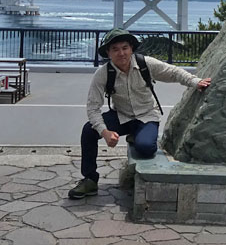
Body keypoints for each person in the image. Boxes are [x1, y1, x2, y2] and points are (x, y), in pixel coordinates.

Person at [68, 28, 212, 200]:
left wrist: (195, 82)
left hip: (147, 116)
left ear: (131, 48)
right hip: (121, 116)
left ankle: (137, 136)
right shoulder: (103, 74)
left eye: (125, 48)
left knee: (146, 148)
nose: (121, 53)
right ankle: (89, 179)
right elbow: (93, 108)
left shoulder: (145, 64)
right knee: (88, 131)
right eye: (115, 49)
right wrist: (104, 132)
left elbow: (173, 72)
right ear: (108, 52)